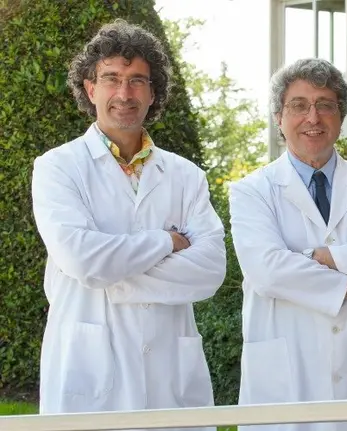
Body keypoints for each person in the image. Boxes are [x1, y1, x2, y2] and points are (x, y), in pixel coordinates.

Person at [31, 20, 226, 431]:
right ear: (90, 88)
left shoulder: (186, 175)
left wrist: (113, 273)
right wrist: (167, 241)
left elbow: (210, 271)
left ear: (153, 93)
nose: (124, 93)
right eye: (111, 79)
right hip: (90, 375)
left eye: (138, 80)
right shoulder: (57, 168)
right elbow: (82, 260)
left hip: (170, 377)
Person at [229, 58, 347, 431]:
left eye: (325, 105)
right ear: (278, 118)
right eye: (299, 105)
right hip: (287, 383)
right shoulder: (252, 191)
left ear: (341, 116)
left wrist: (324, 256)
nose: (312, 117)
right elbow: (268, 271)